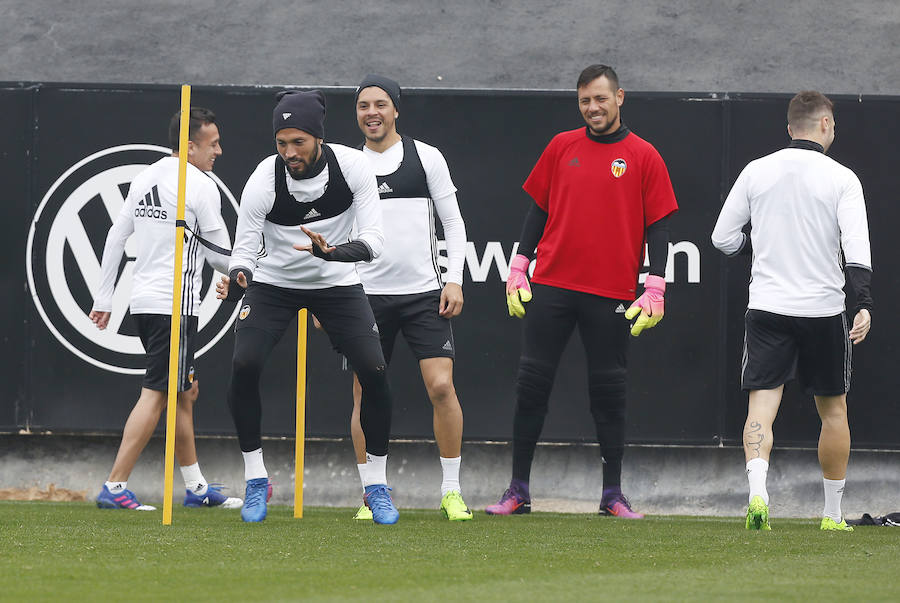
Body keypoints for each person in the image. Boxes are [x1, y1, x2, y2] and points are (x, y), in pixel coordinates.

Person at [485, 64, 678, 518]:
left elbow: (661, 226)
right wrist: (519, 263)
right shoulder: (561, 146)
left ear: (620, 98)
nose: (593, 108)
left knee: (608, 392)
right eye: (585, 101)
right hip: (550, 285)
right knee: (530, 387)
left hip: (611, 291)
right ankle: (518, 489)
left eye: (601, 99)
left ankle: (612, 494)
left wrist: (655, 284)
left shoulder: (644, 155)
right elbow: (538, 210)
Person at [216, 90, 399, 524]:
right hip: (275, 283)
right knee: (244, 365)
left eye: (298, 142)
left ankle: (376, 485)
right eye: (281, 142)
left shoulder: (353, 167)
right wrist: (240, 275)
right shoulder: (264, 177)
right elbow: (243, 249)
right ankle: (256, 478)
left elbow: (373, 242)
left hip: (335, 280)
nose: (288, 152)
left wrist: (331, 254)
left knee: (374, 371)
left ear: (318, 137)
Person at [712, 90, 872, 532]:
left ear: (789, 129)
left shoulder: (756, 171)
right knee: (834, 412)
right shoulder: (842, 177)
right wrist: (864, 303)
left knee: (761, 407)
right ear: (824, 125)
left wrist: (758, 248)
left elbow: (722, 238)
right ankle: (832, 514)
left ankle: (758, 493)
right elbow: (857, 250)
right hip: (823, 310)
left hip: (767, 306)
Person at [90, 107, 241, 511]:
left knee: (185, 392)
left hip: (144, 303)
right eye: (213, 145)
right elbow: (220, 256)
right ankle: (115, 486)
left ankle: (195, 488)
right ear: (189, 146)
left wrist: (105, 298)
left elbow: (115, 236)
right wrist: (250, 270)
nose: (219, 152)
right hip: (174, 306)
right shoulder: (201, 185)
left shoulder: (145, 176)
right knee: (158, 393)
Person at [345, 75, 471, 521]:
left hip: (424, 296)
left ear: (395, 110)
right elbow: (335, 234)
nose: (372, 113)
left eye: (380, 104)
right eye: (363, 106)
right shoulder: (347, 165)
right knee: (366, 393)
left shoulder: (426, 157)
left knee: (441, 387)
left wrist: (453, 279)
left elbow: (453, 224)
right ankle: (371, 493)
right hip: (364, 299)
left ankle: (451, 491)